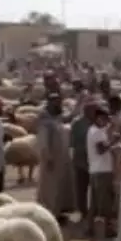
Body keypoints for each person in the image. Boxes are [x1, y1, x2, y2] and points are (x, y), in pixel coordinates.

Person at [36, 94, 75, 222]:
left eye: (59, 102)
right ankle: (50, 214)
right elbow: (43, 143)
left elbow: (69, 117)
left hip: (61, 160)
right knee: (50, 189)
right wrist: (48, 158)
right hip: (51, 161)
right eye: (56, 103)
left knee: (60, 187)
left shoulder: (56, 120)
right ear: (50, 104)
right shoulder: (45, 123)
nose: (59, 105)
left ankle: (58, 212)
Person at [86, 107, 119, 237]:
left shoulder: (93, 130)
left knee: (95, 202)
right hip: (103, 170)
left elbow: (108, 128)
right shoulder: (97, 133)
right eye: (103, 119)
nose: (106, 122)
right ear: (97, 119)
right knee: (104, 202)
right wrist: (113, 141)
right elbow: (101, 150)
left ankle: (92, 228)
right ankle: (106, 229)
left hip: (95, 170)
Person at [69, 103, 97, 219]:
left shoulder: (97, 122)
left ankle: (94, 210)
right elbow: (72, 142)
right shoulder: (77, 123)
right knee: (81, 187)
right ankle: (82, 210)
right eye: (92, 110)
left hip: (94, 159)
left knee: (95, 187)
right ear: (85, 111)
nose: (94, 112)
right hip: (81, 158)